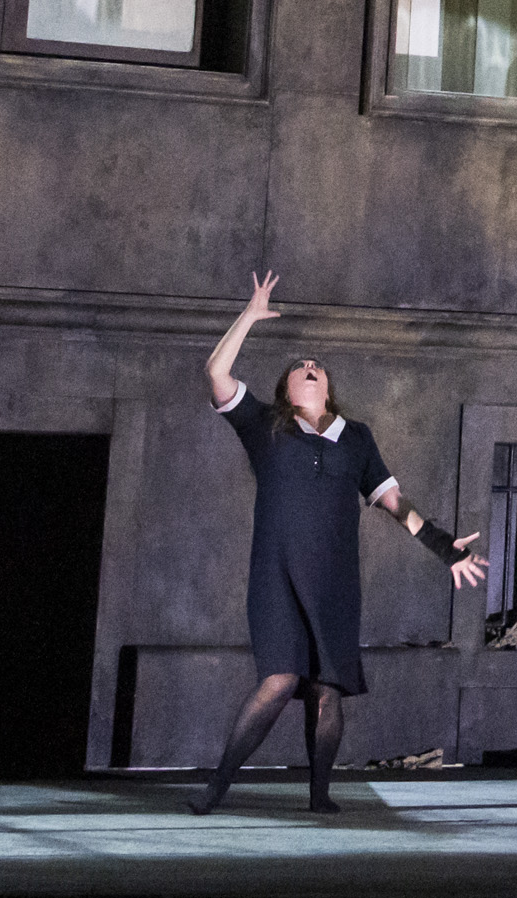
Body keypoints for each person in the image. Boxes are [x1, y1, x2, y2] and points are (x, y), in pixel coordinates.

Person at [191, 271, 490, 814]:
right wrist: (250, 316)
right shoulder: (264, 426)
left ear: (327, 387)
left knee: (327, 688)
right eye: (299, 368)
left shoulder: (356, 438)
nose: (308, 367)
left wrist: (446, 548)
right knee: (280, 679)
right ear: (286, 389)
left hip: (334, 581)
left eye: (317, 367)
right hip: (276, 577)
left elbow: (396, 504)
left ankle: (320, 795)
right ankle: (217, 786)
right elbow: (216, 370)